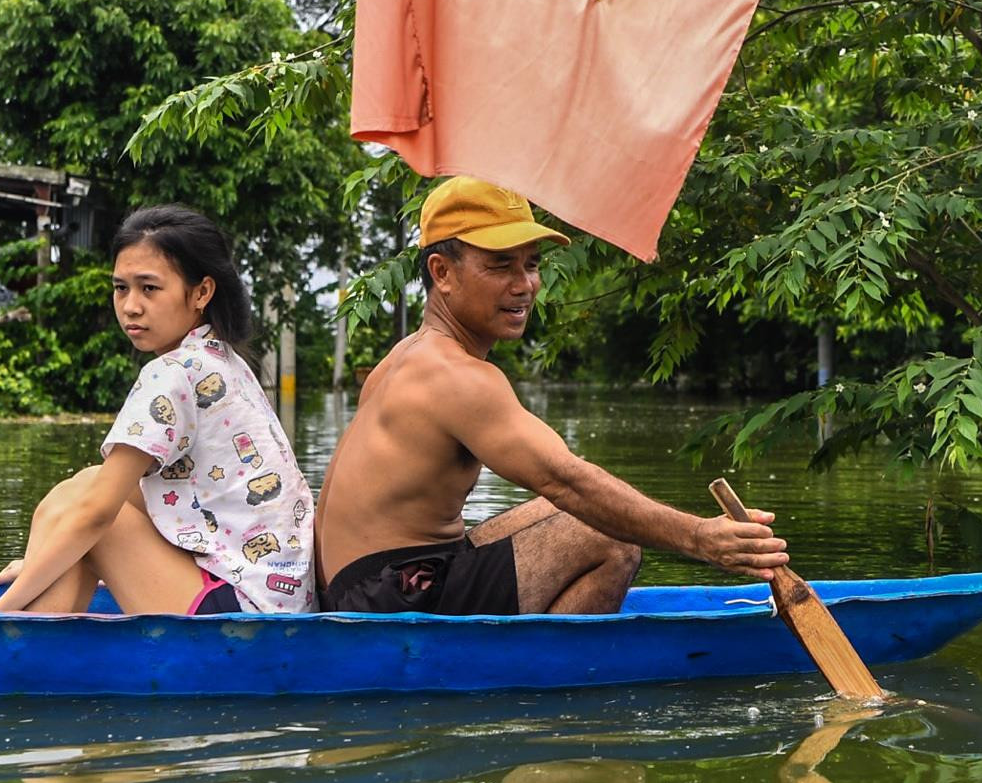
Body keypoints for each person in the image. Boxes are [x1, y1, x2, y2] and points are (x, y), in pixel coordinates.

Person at [315, 176, 787, 615]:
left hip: (365, 584)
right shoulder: (454, 375)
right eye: (500, 265)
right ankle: (539, 693)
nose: (524, 285)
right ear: (442, 272)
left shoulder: (404, 357)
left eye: (532, 264)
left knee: (572, 512)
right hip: (385, 598)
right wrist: (700, 538)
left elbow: (567, 492)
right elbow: (569, 481)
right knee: (607, 536)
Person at [0, 204, 315, 615]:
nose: (131, 306)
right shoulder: (221, 359)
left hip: (241, 612)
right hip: (276, 602)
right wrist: (45, 563)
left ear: (201, 293)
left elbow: (95, 517)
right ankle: (39, 624)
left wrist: (2, 609)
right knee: (86, 485)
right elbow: (134, 500)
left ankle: (22, 643)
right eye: (121, 288)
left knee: (88, 509)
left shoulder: (173, 372)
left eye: (149, 288)